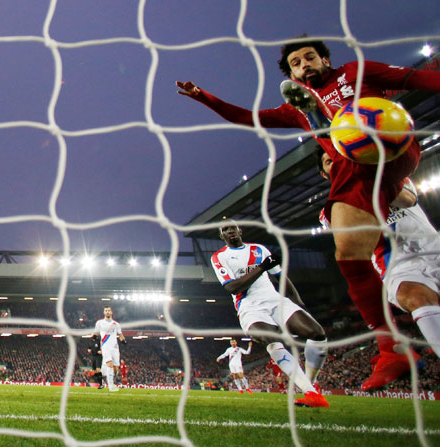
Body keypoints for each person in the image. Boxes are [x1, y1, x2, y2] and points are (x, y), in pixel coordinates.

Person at [177, 36, 440, 390]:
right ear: (293, 74)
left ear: (325, 60)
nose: (304, 64)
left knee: (351, 142)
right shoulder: (293, 113)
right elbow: (249, 118)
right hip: (358, 171)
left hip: (391, 143)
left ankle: (332, 123)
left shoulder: (356, 73)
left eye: (310, 58)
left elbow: (412, 78)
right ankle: (391, 349)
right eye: (297, 63)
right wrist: (203, 97)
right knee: (348, 255)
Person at [318, 150, 440, 359]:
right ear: (324, 173)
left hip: (434, 247)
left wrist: (366, 177)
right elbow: (354, 243)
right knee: (416, 298)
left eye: (341, 159)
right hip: (398, 265)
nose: (338, 164)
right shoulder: (331, 211)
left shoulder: (396, 179)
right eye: (330, 161)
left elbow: (408, 201)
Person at [211, 223, 329, 407]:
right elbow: (232, 287)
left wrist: (299, 302)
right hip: (249, 307)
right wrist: (261, 268)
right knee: (272, 338)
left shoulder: (259, 249)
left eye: (232, 228)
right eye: (224, 230)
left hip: (275, 299)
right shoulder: (219, 257)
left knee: (317, 333)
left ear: (240, 231)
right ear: (222, 237)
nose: (229, 231)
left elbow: (281, 277)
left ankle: (310, 385)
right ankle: (312, 394)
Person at [94, 305, 126, 392]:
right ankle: (111, 386)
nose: (107, 312)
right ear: (104, 312)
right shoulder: (99, 323)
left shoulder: (116, 324)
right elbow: (96, 334)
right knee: (110, 364)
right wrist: (94, 342)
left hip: (115, 347)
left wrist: (123, 340)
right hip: (105, 346)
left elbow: (120, 334)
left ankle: (109, 376)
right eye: (106, 310)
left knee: (116, 368)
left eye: (109, 310)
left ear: (111, 312)